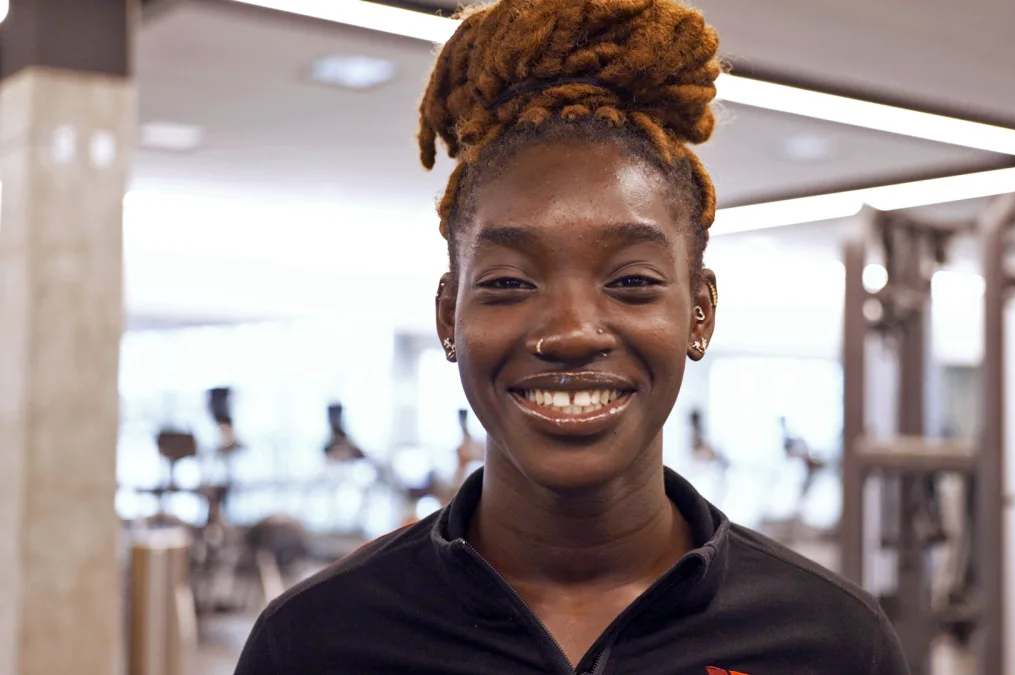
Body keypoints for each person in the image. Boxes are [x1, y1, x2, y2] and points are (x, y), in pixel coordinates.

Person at [234, 0, 907, 673]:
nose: (571, 333)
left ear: (700, 313)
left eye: (633, 281)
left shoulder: (830, 641)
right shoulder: (316, 641)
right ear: (449, 318)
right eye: (508, 283)